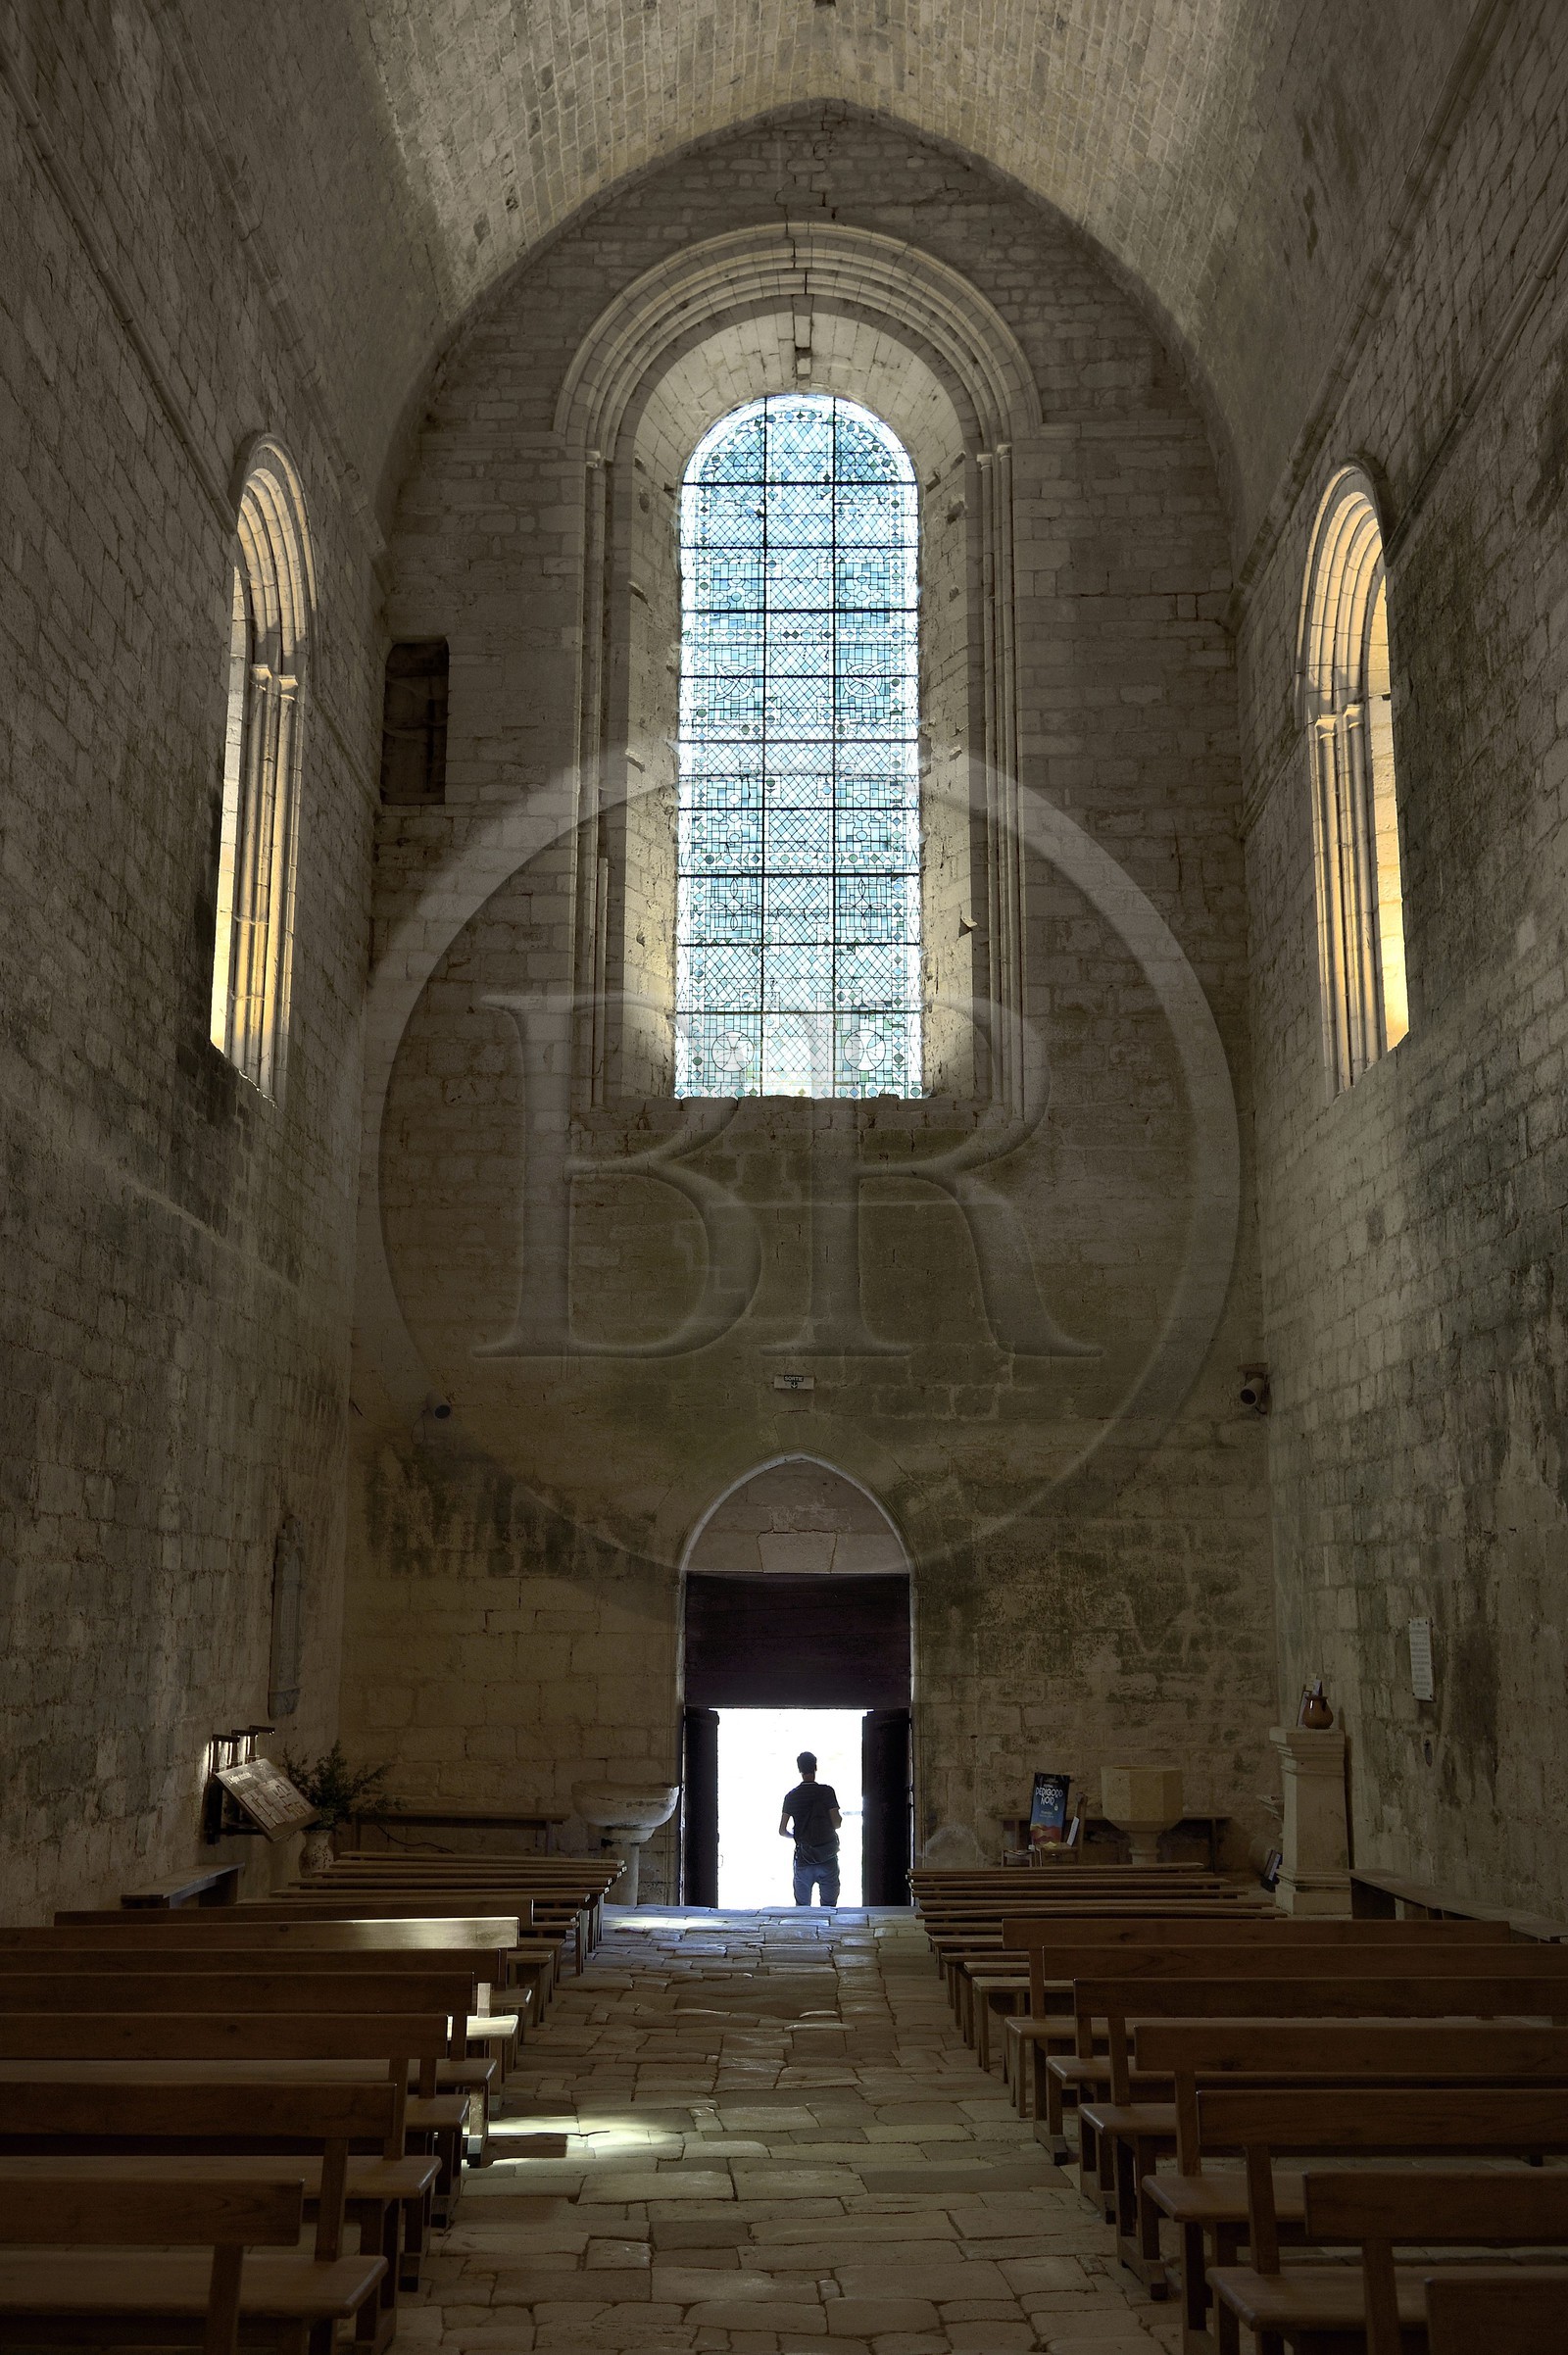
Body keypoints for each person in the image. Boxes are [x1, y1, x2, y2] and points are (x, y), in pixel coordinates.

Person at [779, 1749, 842, 1907]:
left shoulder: (791, 1796)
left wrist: (795, 1835)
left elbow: (782, 1830)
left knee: (802, 1909)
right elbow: (837, 1824)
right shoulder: (827, 1792)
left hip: (803, 1857)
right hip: (828, 1857)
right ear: (815, 1767)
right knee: (829, 1908)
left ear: (799, 1770)